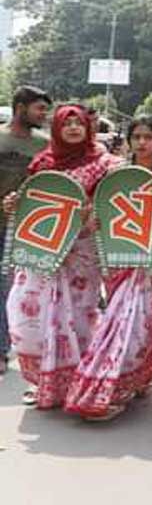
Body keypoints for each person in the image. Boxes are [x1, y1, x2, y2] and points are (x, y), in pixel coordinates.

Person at [64, 115, 152, 421]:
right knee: (123, 320)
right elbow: (97, 211)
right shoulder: (115, 171)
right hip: (115, 258)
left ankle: (115, 387)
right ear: (129, 140)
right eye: (137, 137)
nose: (142, 143)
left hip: (151, 261)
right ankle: (122, 382)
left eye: (148, 137)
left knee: (133, 321)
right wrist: (94, 220)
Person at [5, 105, 121, 408]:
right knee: (30, 314)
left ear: (87, 127)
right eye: (66, 123)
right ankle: (43, 381)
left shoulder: (104, 163)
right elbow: (32, 202)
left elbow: (114, 203)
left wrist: (93, 210)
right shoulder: (42, 163)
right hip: (43, 251)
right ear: (56, 128)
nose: (72, 128)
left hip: (82, 252)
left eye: (78, 123)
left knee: (77, 319)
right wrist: (14, 205)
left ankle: (75, 383)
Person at [0, 85, 50, 374]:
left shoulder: (43, 144)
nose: (43, 114)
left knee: (22, 290)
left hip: (31, 230)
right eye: (39, 108)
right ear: (21, 107)